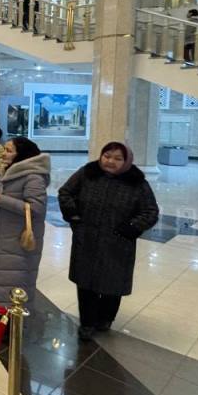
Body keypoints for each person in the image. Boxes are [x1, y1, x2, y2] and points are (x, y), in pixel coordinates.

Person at [58, 142, 159, 341]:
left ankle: (105, 318)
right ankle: (87, 322)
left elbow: (151, 211)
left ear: (126, 161)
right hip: (87, 239)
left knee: (112, 284)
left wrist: (131, 228)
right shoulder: (87, 173)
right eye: (107, 156)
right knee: (85, 283)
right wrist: (74, 215)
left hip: (117, 244)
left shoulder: (136, 183)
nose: (110, 161)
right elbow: (65, 192)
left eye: (117, 158)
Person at [0, 137, 50, 315]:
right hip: (3, 234)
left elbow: (37, 208)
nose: (4, 153)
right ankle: (0, 316)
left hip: (18, 238)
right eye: (5, 149)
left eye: (9, 151)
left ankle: (11, 320)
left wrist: (2, 200)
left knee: (14, 278)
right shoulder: (8, 170)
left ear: (22, 154)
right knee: (1, 277)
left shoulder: (33, 176)